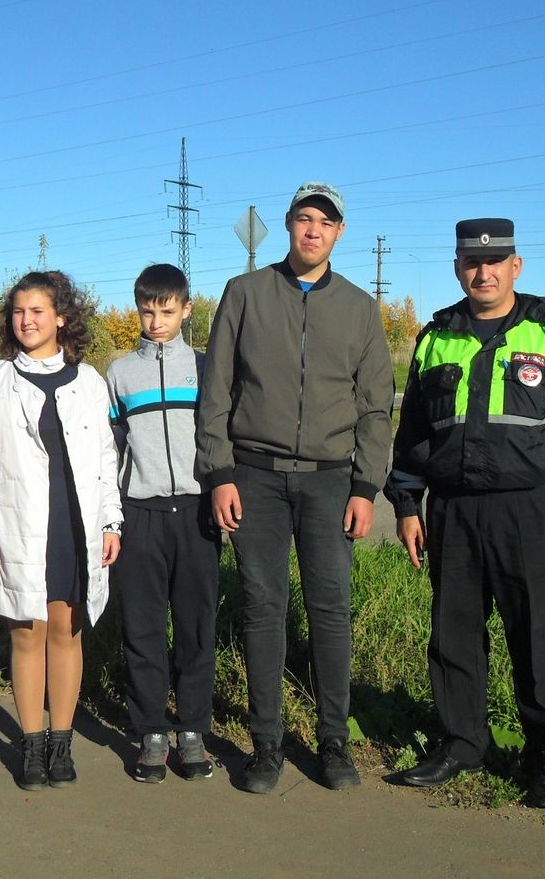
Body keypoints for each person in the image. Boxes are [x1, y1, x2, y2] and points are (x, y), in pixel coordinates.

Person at [383, 218, 545, 810]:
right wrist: (408, 505)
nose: (482, 272)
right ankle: (463, 743)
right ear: (458, 267)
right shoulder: (435, 338)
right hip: (453, 511)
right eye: (470, 262)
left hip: (527, 511)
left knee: (533, 636)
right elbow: (412, 431)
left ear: (516, 266)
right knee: (454, 634)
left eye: (495, 262)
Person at [197, 181, 394, 793]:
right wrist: (220, 473)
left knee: (330, 609)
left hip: (331, 483)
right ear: (288, 225)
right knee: (262, 607)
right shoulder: (245, 293)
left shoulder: (360, 309)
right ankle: (266, 744)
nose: (313, 230)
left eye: (325, 223)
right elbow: (217, 390)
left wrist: (366, 486)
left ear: (339, 234)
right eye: (304, 219)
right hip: (254, 476)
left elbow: (376, 404)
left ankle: (334, 741)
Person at [0, 270, 122, 790]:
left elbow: (104, 457)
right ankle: (31, 747)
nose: (27, 321)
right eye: (18, 312)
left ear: (61, 318)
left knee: (65, 632)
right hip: (18, 524)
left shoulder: (89, 382)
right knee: (26, 634)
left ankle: (62, 742)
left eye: (37, 311)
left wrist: (110, 520)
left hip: (74, 524)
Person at [105, 264, 221, 783]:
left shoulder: (206, 367)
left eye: (167, 311)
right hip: (141, 512)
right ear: (138, 309)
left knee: (197, 625)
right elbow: (111, 450)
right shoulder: (119, 373)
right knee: (144, 625)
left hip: (197, 512)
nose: (156, 321)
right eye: (148, 311)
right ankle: (151, 731)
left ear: (186, 310)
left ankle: (193, 730)